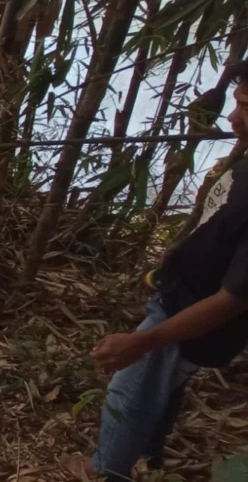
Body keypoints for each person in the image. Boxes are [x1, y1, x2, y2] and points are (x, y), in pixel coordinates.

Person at [63, 63, 248, 480]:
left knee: (130, 391)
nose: (233, 119)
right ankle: (150, 455)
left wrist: (144, 340)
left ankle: (106, 470)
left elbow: (233, 299)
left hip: (189, 316)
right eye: (236, 104)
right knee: (162, 384)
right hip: (181, 299)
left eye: (246, 107)